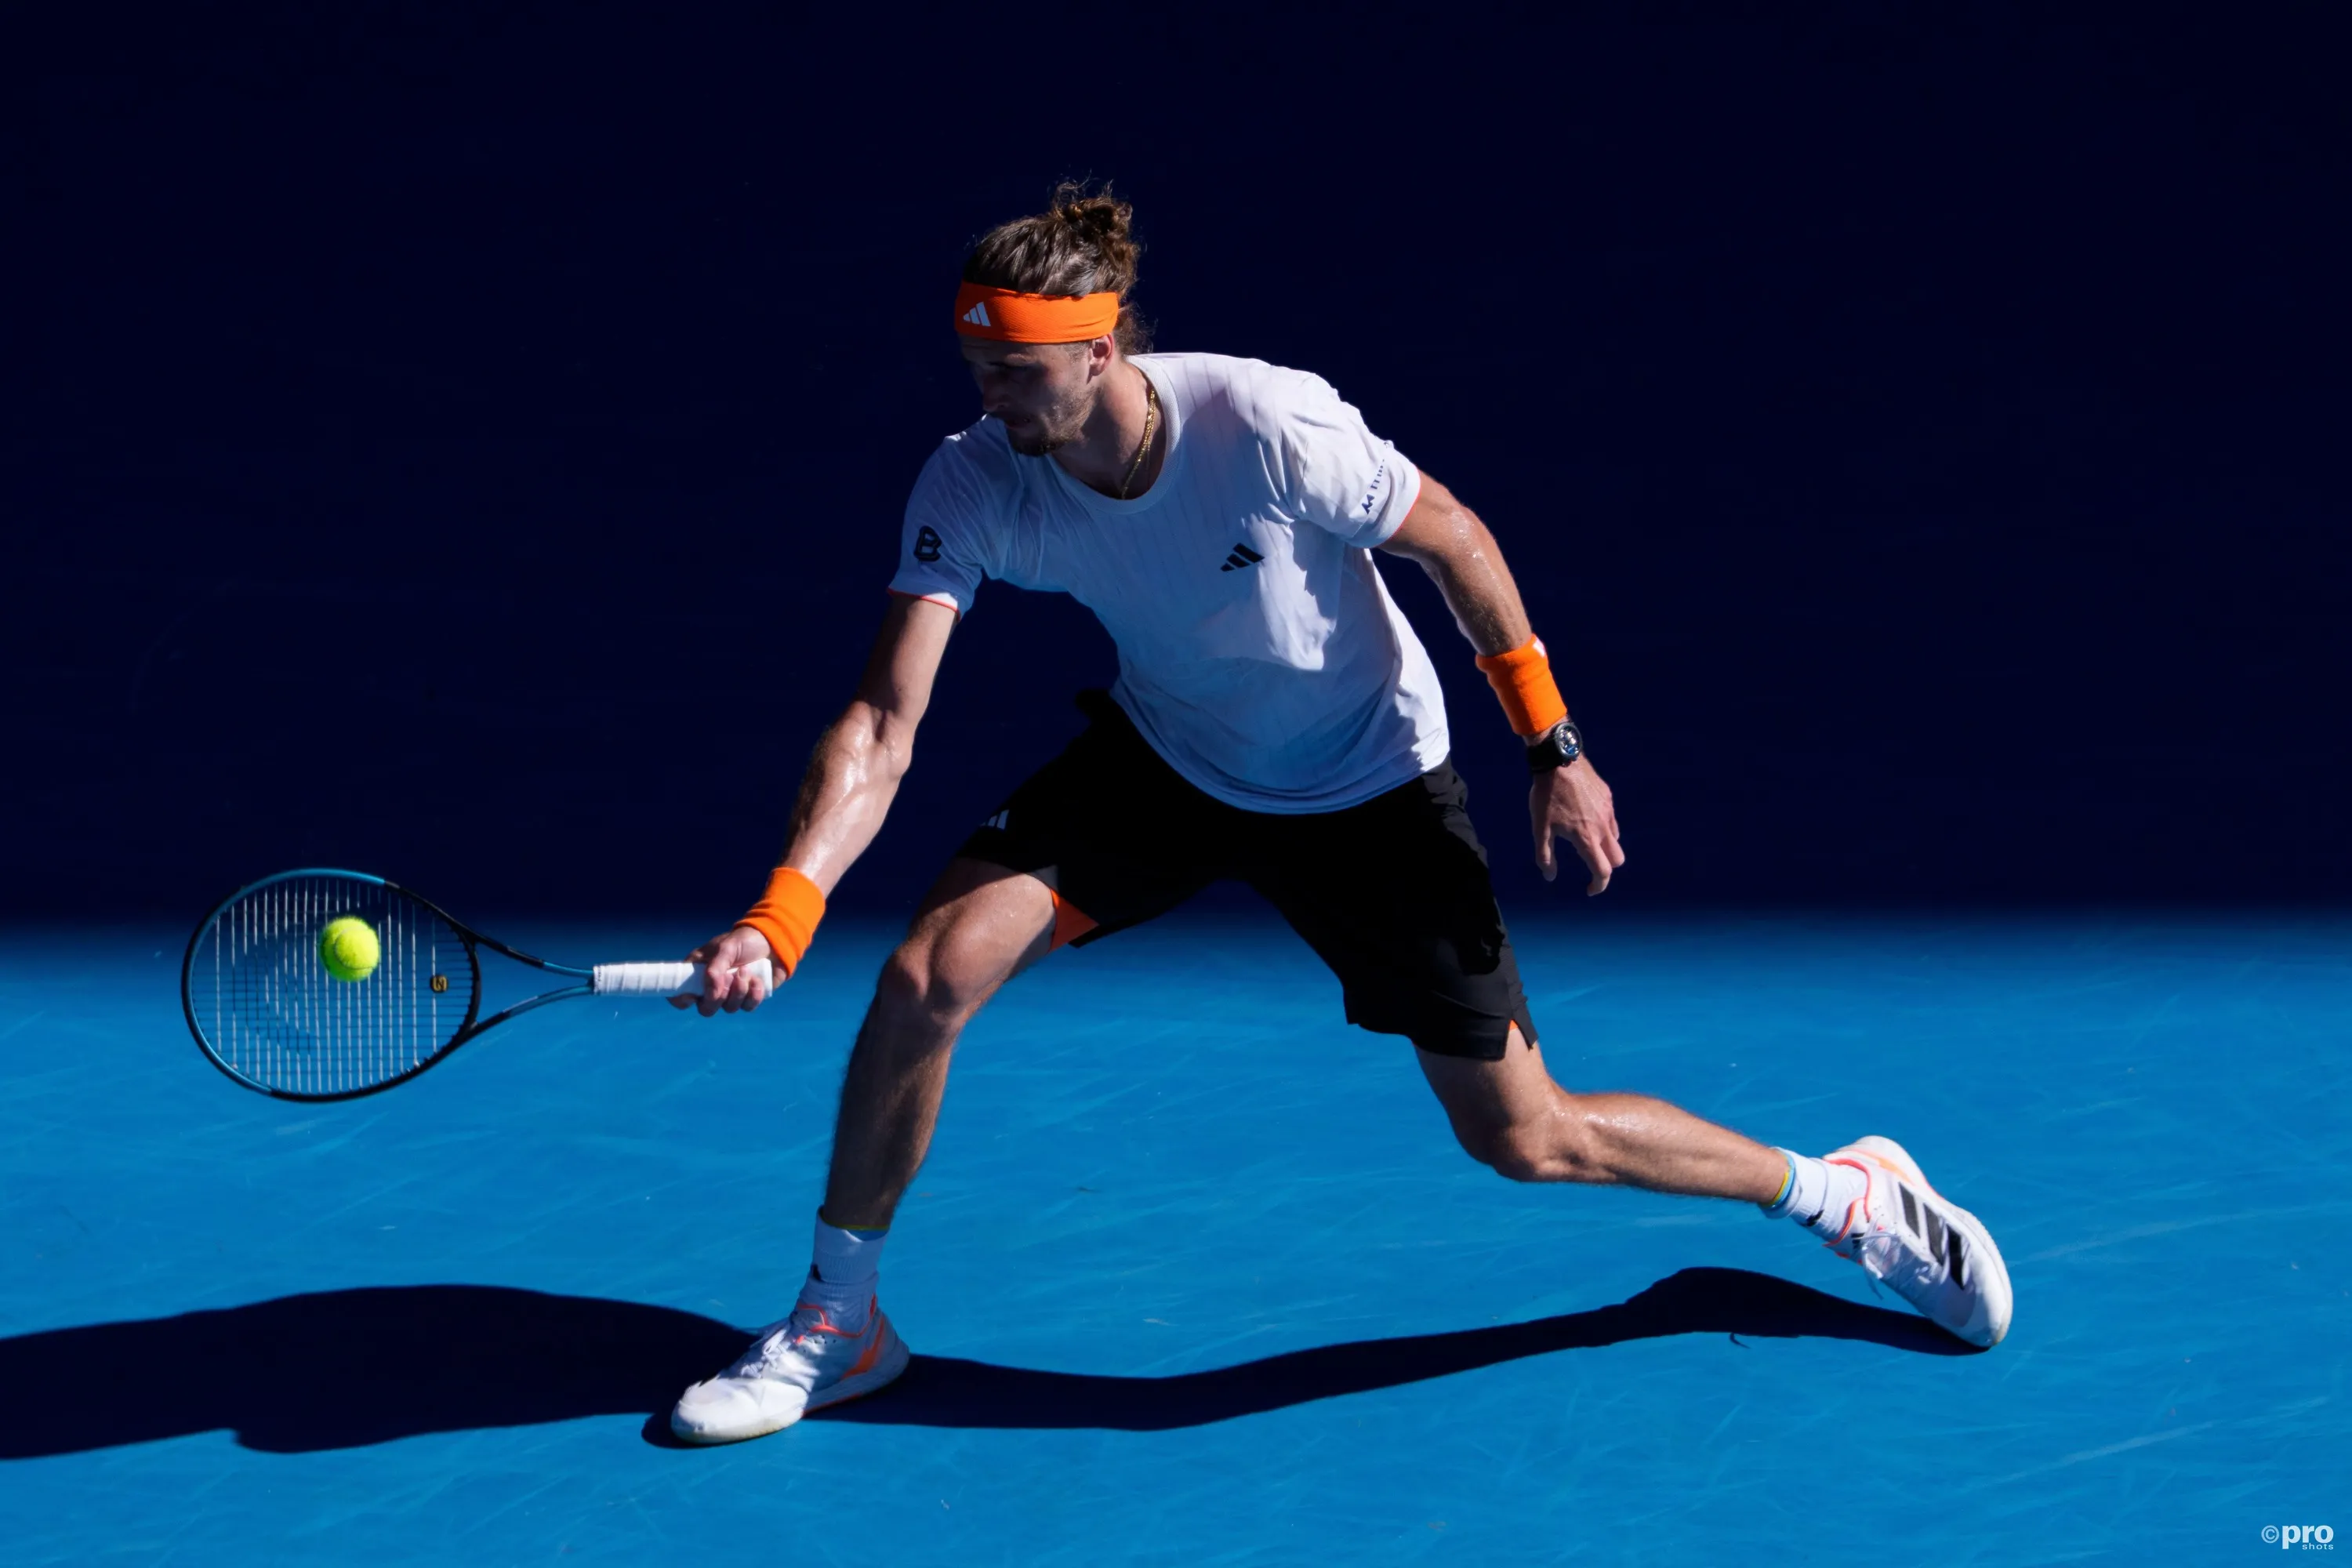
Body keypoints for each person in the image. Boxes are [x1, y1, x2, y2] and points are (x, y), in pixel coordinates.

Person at [665, 187, 2012, 1445]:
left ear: (1097, 350)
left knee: (1527, 1138)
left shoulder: (1266, 425)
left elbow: (1458, 539)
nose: (986, 396)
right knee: (923, 977)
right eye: (974, 369)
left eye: (1012, 369)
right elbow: (883, 724)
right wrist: (787, 907)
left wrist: (1555, 746)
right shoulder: (975, 478)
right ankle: (840, 1322)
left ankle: (1843, 1193)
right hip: (1172, 760)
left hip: (1368, 788)